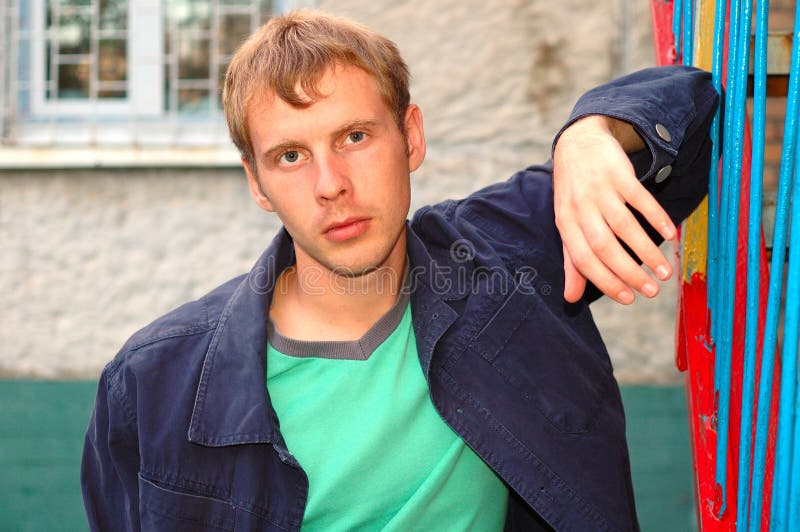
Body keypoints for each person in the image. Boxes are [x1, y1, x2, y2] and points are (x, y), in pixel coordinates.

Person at [81, 9, 717, 532]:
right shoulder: (153, 384)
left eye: (355, 137)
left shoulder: (506, 259)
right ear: (257, 182)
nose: (331, 184)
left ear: (411, 137)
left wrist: (589, 132)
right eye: (291, 155)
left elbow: (694, 112)